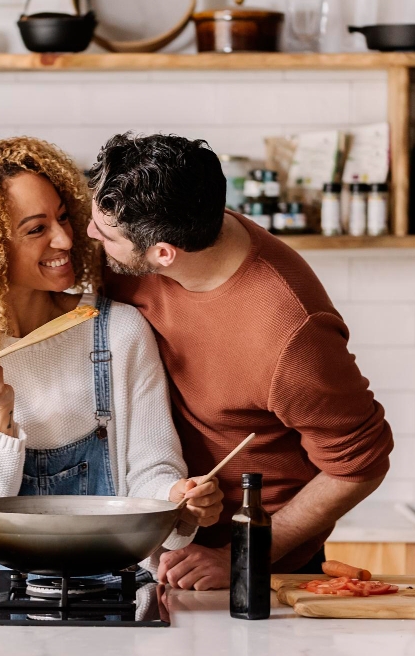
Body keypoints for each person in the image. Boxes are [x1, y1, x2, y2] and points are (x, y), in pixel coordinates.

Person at [0, 136, 223, 582]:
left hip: (118, 590)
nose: (66, 237)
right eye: (36, 229)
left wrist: (178, 499)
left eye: (63, 217)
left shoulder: (118, 330)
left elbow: (151, 469)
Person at [80, 133, 394, 591]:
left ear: (163, 254)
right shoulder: (169, 220)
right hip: (144, 538)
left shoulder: (292, 335)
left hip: (244, 567)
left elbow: (360, 467)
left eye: (104, 235)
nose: (89, 236)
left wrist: (239, 557)